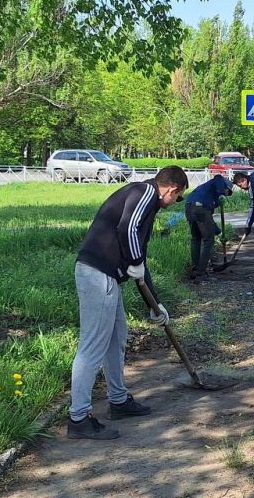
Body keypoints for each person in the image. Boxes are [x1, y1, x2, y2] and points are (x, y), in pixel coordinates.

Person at [67, 166, 189, 440]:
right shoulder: (144, 192)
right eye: (177, 198)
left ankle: (118, 401)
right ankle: (78, 418)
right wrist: (134, 262)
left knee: (116, 338)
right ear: (172, 189)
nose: (174, 204)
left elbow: (139, 256)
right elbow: (128, 229)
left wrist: (155, 304)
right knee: (92, 347)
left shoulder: (145, 202)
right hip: (97, 275)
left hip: (106, 277)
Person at [184, 174, 235, 279]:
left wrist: (218, 231)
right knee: (209, 241)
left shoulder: (207, 192)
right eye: (227, 192)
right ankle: (201, 271)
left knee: (196, 238)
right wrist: (221, 193)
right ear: (225, 187)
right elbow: (218, 177)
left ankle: (196, 268)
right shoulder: (218, 183)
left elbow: (208, 219)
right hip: (200, 208)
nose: (226, 195)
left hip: (189, 207)